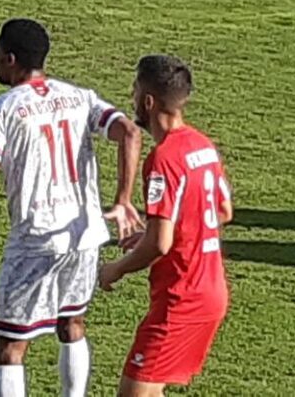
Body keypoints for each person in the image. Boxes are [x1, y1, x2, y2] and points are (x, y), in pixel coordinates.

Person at [0, 18, 144, 397]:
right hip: (84, 235)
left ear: (10, 59)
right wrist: (123, 199)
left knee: (9, 347)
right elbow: (130, 131)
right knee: (72, 324)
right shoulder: (80, 97)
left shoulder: (0, 110)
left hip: (35, 240)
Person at [98, 55, 233, 396]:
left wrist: (116, 269)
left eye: (134, 90)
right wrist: (162, 229)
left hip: (181, 299)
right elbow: (223, 210)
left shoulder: (163, 159)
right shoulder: (203, 145)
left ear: (148, 101)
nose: (131, 97)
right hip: (211, 291)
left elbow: (160, 244)